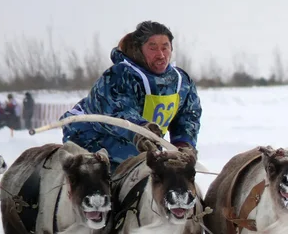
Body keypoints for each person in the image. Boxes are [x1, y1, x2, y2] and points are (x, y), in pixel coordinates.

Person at [59, 21, 202, 171]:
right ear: (139, 49)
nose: (160, 55)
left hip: (139, 150)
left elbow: (188, 115)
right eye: (152, 48)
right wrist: (140, 130)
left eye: (165, 47)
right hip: (92, 142)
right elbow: (116, 110)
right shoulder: (119, 75)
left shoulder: (181, 82)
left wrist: (184, 145)